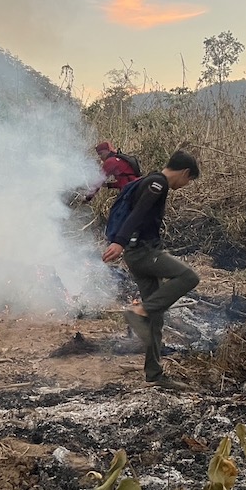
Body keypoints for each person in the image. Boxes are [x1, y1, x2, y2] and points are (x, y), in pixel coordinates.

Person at [101, 150, 200, 389]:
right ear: (185, 172)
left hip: (137, 253)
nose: (185, 185)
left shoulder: (149, 180)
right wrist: (119, 241)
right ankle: (139, 311)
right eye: (188, 180)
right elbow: (139, 212)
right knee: (189, 276)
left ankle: (154, 375)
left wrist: (122, 242)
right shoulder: (158, 183)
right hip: (144, 253)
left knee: (156, 318)